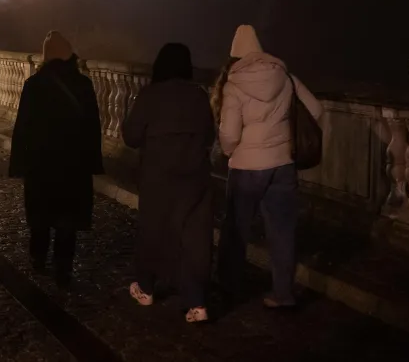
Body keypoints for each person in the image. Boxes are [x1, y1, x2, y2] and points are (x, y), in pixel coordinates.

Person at [215, 24, 323, 308]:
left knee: (236, 229)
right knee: (283, 230)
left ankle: (229, 287)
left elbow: (229, 134)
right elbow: (316, 109)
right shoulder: (284, 76)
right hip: (283, 164)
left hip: (246, 166)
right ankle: (283, 294)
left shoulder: (234, 83)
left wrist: (228, 152)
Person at [122, 43, 215, 323]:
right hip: (194, 177)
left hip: (157, 176)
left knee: (153, 231)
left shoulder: (150, 95)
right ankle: (196, 302)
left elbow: (131, 136)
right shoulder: (199, 96)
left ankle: (147, 288)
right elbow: (209, 135)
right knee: (194, 238)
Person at [9, 31, 104, 287]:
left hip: (41, 164)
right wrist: (94, 162)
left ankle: (38, 258)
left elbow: (23, 128)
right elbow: (92, 127)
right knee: (67, 220)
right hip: (73, 165)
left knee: (40, 215)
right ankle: (63, 266)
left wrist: (19, 163)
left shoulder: (34, 85)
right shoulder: (82, 84)